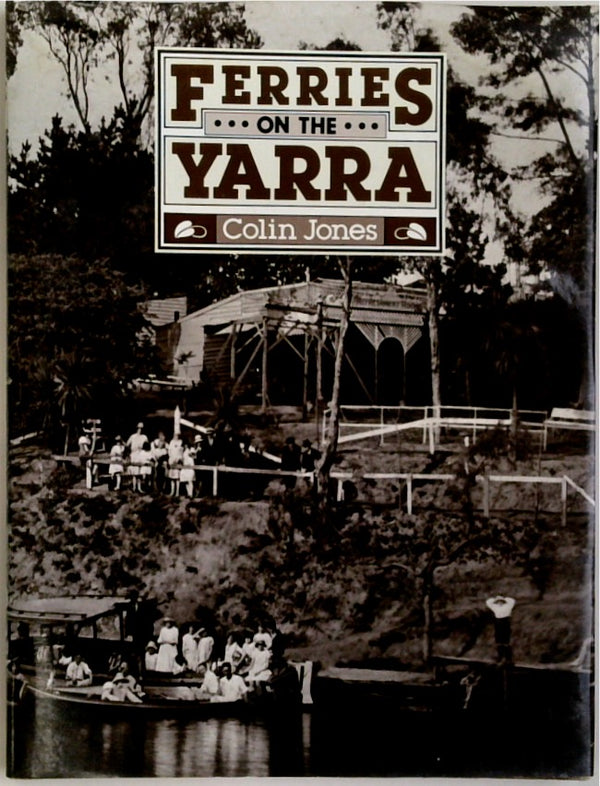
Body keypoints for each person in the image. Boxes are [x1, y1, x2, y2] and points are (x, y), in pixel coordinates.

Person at [486, 595, 516, 664]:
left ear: (504, 602)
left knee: (506, 641)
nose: (500, 603)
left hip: (505, 622)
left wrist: (503, 598)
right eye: (498, 602)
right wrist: (495, 599)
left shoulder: (508, 606)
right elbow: (488, 601)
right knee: (499, 641)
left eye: (501, 601)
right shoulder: (495, 607)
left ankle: (508, 658)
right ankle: (500, 657)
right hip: (498, 623)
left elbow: (512, 600)